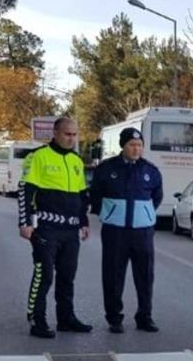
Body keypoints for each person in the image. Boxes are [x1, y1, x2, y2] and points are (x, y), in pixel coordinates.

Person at [18, 117, 93, 338]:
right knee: (44, 275)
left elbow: (82, 195)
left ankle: (66, 318)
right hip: (46, 228)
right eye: (67, 134)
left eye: (74, 135)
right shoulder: (38, 157)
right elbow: (25, 190)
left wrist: (84, 222)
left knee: (67, 276)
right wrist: (24, 222)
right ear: (56, 133)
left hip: (70, 231)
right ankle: (37, 319)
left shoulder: (76, 160)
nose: (71, 138)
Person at [90, 127, 164, 334]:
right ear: (123, 146)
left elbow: (157, 197)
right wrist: (108, 212)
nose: (136, 149)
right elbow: (95, 194)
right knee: (113, 275)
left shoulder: (151, 171)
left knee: (145, 276)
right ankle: (115, 318)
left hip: (142, 232)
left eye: (139, 145)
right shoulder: (107, 168)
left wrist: (145, 216)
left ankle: (145, 317)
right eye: (132, 145)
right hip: (115, 231)